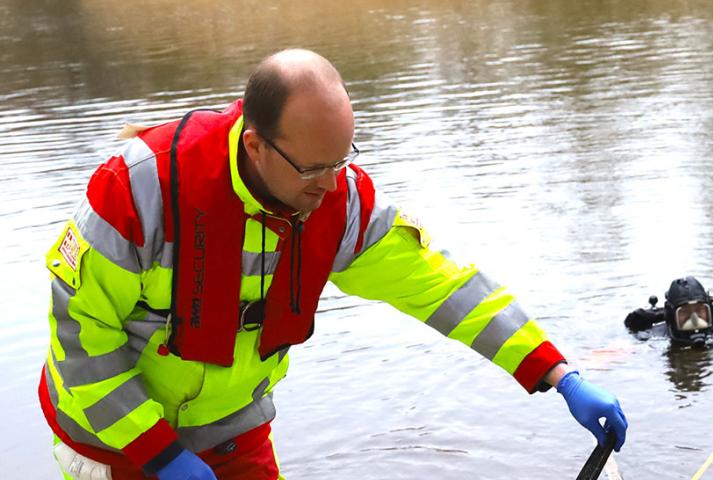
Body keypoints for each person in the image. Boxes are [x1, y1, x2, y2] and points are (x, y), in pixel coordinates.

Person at [39, 49, 627, 480]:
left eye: (341, 161)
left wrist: (557, 374)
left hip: (231, 433)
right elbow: (79, 344)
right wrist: (162, 456)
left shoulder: (340, 202)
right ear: (255, 145)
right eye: (313, 168)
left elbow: (445, 288)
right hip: (113, 440)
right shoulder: (136, 192)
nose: (330, 185)